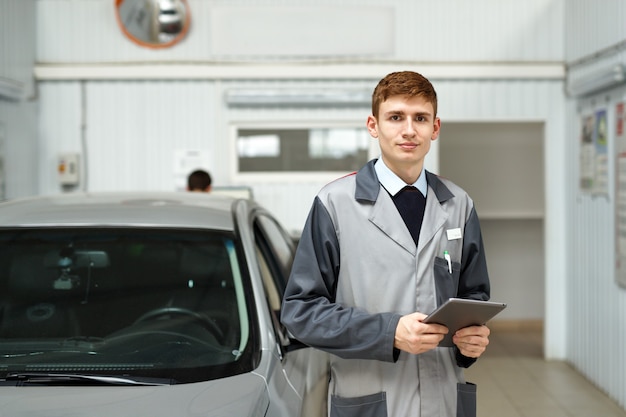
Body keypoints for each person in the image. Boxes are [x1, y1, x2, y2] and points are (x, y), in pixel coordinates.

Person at [281, 71, 491, 417]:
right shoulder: (335, 204)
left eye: (420, 118)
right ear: (373, 125)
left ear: (435, 128)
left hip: (443, 401)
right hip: (372, 401)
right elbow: (300, 312)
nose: (409, 130)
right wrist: (389, 332)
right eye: (396, 117)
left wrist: (470, 345)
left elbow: (474, 299)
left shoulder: (459, 204)